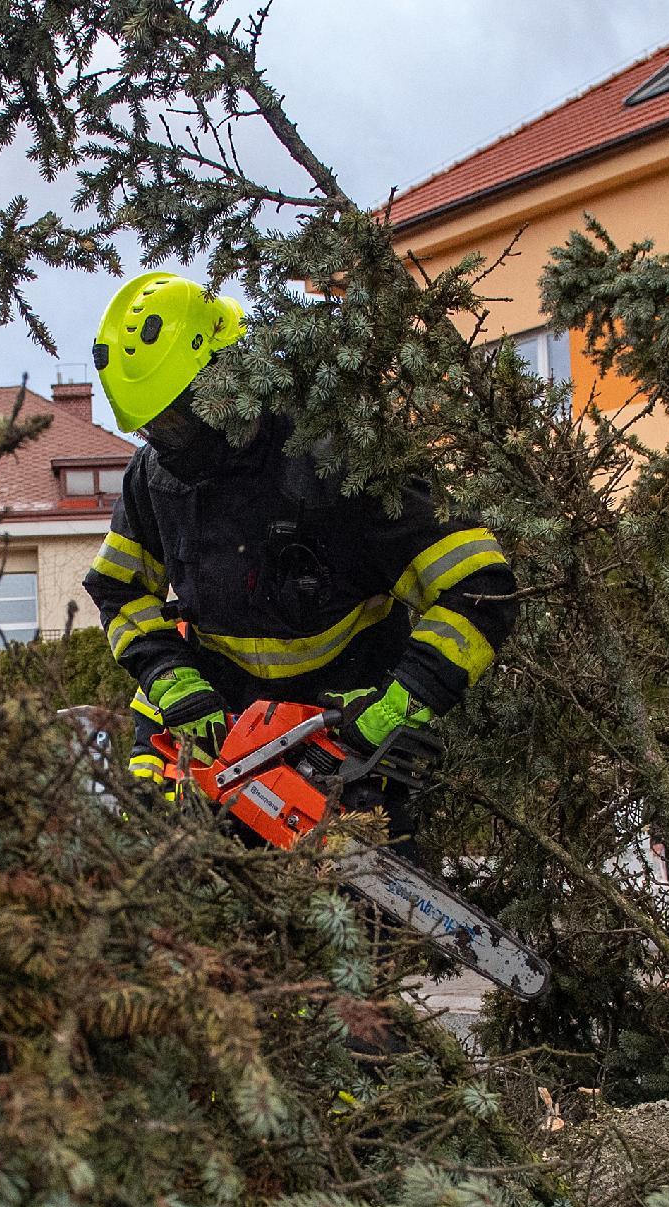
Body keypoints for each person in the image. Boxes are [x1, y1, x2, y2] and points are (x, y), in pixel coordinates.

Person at [79, 272, 515, 840]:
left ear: (223, 379)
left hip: (343, 737)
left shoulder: (335, 452)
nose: (167, 442)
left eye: (176, 421)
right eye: (152, 429)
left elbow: (479, 586)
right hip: (225, 741)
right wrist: (175, 680)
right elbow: (118, 588)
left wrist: (393, 708)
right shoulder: (155, 479)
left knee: (369, 886)